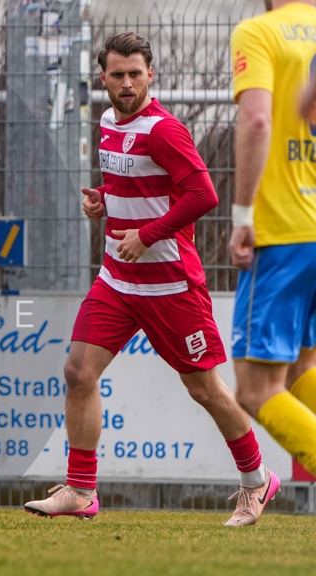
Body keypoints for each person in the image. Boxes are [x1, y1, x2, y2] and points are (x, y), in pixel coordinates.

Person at [24, 32, 278, 526]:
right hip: (117, 282)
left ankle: (256, 479)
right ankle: (80, 489)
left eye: (135, 73)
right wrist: (102, 201)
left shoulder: (163, 129)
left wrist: (147, 233)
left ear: (150, 74)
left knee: (205, 389)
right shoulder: (104, 123)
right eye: (117, 74)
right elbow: (132, 185)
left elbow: (202, 195)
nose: (126, 83)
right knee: (78, 373)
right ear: (102, 77)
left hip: (170, 286)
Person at [229, 0, 316, 478]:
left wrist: (243, 215)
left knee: (256, 391)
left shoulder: (260, 33)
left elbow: (258, 120)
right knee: (302, 371)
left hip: (285, 234)